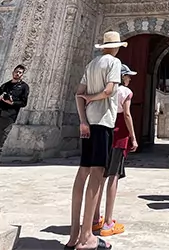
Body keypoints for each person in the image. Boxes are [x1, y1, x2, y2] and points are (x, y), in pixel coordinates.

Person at [66, 31, 125, 250]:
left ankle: (73, 236)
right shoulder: (114, 62)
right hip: (103, 123)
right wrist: (95, 97)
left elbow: (77, 94)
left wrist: (83, 120)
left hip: (88, 123)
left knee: (83, 172)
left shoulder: (91, 64)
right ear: (116, 47)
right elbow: (109, 91)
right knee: (97, 175)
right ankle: (87, 237)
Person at [91, 64, 139, 237]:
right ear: (122, 76)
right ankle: (108, 222)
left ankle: (95, 220)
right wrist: (133, 137)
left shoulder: (105, 90)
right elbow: (127, 115)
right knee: (113, 177)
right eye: (127, 75)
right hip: (119, 135)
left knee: (100, 176)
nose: (129, 78)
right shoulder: (125, 92)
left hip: (104, 131)